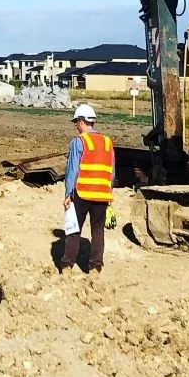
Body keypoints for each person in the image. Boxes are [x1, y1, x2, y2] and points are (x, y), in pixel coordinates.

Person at [60, 103, 114, 275]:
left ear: (82, 122)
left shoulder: (79, 141)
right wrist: (109, 193)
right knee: (98, 231)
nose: (76, 125)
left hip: (82, 192)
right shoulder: (107, 142)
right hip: (103, 194)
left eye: (76, 122)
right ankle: (95, 268)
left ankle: (67, 265)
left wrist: (68, 193)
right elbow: (112, 172)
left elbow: (73, 170)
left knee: (74, 229)